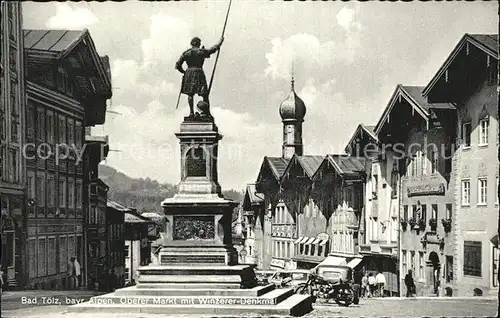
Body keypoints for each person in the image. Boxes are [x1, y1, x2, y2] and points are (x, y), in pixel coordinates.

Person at [175, 36, 224, 117]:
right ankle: (207, 113)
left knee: (190, 94)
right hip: (199, 72)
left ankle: (191, 113)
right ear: (197, 43)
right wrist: (219, 43)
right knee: (204, 94)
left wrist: (184, 72)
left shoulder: (186, 53)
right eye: (199, 43)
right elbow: (212, 50)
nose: (200, 44)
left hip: (189, 73)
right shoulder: (201, 51)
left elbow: (177, 65)